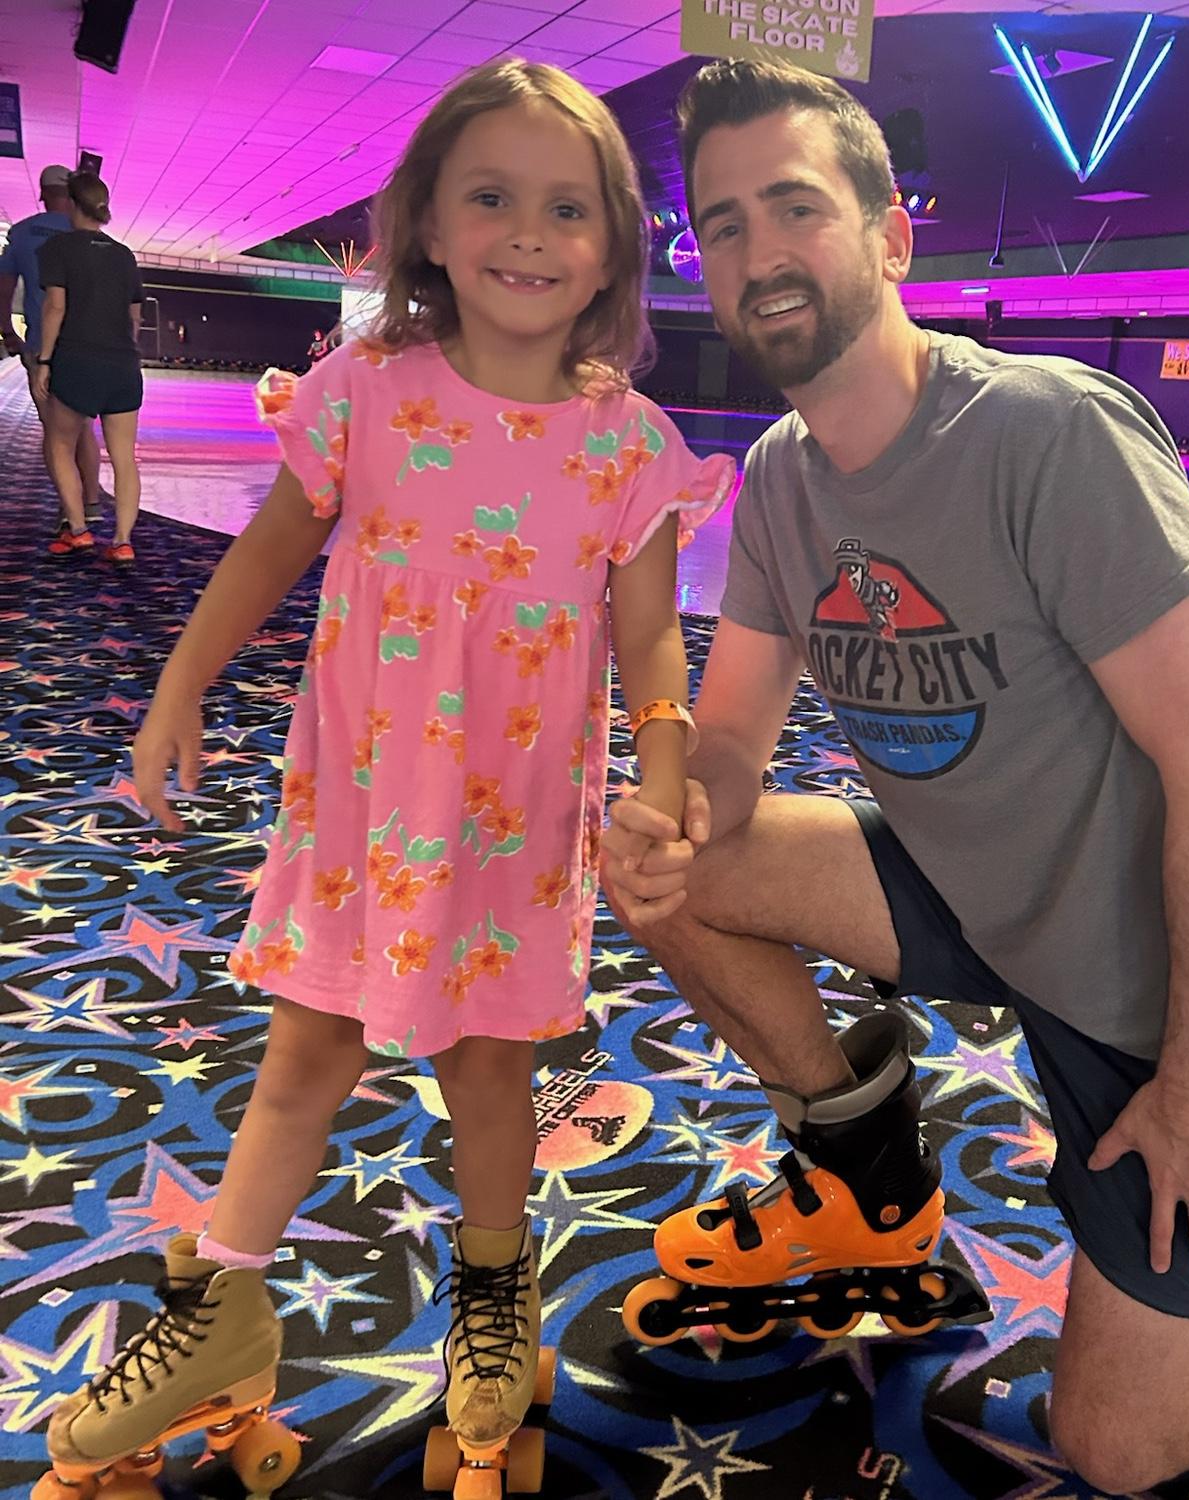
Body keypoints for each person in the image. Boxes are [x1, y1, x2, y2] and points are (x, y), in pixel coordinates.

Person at [604, 58, 1189, 1492]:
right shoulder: (778, 475)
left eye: (795, 207)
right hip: (971, 890)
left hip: (1159, 977)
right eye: (721, 224)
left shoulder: (1047, 435)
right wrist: (669, 814)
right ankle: (869, 1183)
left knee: (1120, 1446)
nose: (759, 253)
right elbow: (728, 748)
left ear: (893, 235)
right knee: (668, 864)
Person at [35, 59, 733, 1495]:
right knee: (308, 1052)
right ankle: (223, 1305)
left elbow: (654, 635)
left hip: (520, 820)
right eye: (492, 198)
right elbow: (271, 554)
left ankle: (494, 1299)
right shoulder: (365, 393)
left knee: (493, 1071)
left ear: (612, 246)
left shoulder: (625, 447)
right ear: (426, 223)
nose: (529, 236)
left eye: (566, 209)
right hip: (362, 805)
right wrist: (178, 687)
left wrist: (666, 769)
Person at [36, 171, 144, 563]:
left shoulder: (58, 249)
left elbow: (55, 308)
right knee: (123, 457)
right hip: (122, 366)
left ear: (70, 205)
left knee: (60, 443)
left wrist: (45, 359)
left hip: (77, 359)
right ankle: (122, 541)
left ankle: (79, 530)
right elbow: (135, 317)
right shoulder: (124, 254)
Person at [0, 163, 105, 530]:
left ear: (43, 194)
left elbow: (5, 288)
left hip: (43, 344)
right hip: (87, 345)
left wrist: (6, 331)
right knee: (83, 428)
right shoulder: (89, 235)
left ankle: (70, 510)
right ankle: (91, 502)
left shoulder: (24, 233)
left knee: (56, 433)